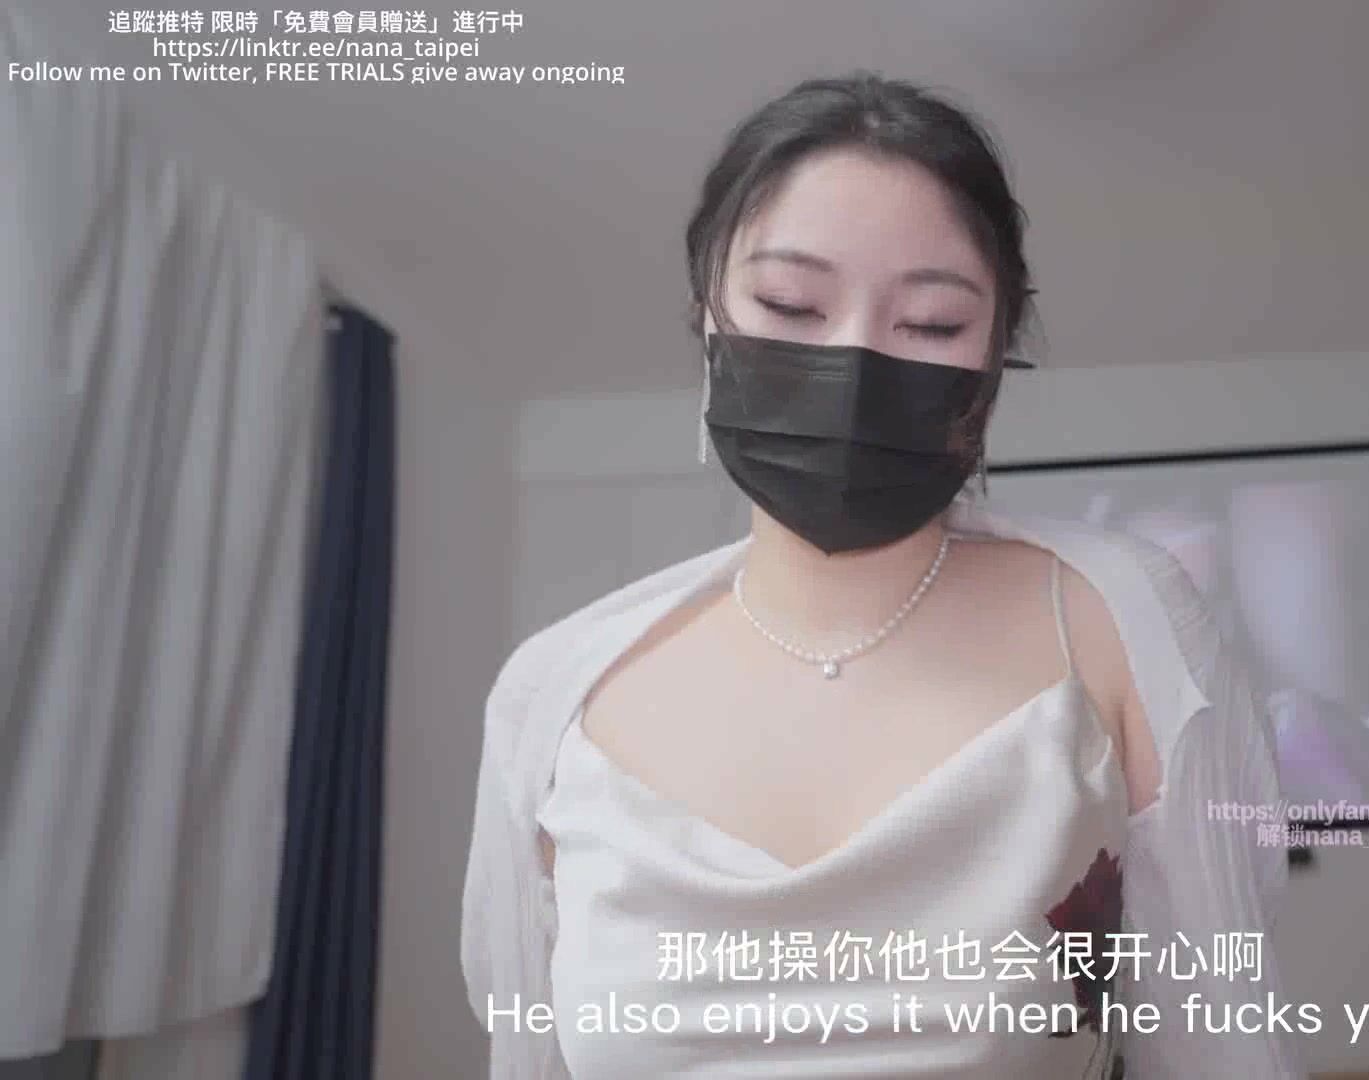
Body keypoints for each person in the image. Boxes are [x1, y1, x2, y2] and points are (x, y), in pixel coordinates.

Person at [461, 72, 1302, 1079]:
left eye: (933, 324)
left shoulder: (1122, 618)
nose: (854, 362)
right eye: (791, 304)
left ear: (995, 357)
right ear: (707, 315)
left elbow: (1221, 1038)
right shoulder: (556, 693)